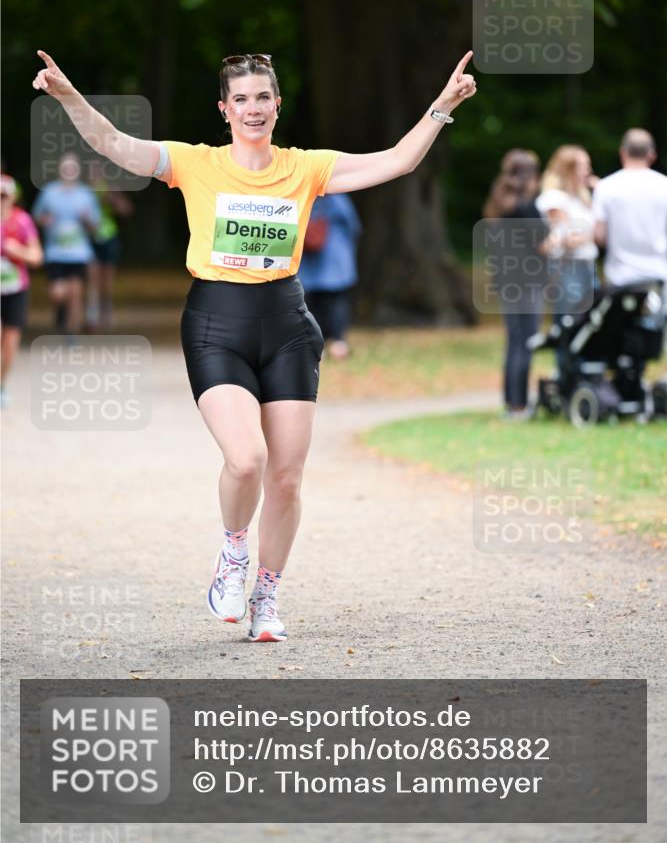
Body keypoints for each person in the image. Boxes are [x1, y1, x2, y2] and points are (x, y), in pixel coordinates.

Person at [31, 47, 477, 641]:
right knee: (247, 459)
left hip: (288, 323)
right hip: (217, 322)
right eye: (240, 99)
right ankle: (233, 552)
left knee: (287, 478)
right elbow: (116, 145)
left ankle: (266, 597)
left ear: (277, 104)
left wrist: (442, 107)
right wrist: (67, 96)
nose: (253, 108)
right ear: (224, 108)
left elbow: (395, 162)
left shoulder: (306, 167)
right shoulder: (194, 163)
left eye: (262, 97)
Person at [483, 149, 548, 419]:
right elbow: (543, 245)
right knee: (527, 341)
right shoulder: (527, 207)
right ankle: (520, 405)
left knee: (514, 341)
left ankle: (512, 402)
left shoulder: (499, 203)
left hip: (507, 280)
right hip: (528, 281)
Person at [32, 151, 101, 339]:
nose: (69, 170)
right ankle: (61, 310)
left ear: (78, 171)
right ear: (60, 169)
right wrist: (44, 220)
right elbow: (36, 217)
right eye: (66, 167)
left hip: (79, 253)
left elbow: (96, 225)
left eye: (73, 167)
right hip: (55, 253)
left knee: (76, 293)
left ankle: (71, 333)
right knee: (57, 293)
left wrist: (87, 220)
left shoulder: (86, 194)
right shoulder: (49, 192)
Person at [592, 128, 667, 288]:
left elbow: (599, 236)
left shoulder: (605, 187)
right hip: (660, 275)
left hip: (620, 277)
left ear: (623, 152)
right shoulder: (664, 185)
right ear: (652, 154)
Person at [536, 144, 598, 320]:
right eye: (584, 166)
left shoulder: (583, 197)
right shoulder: (553, 199)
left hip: (588, 265)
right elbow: (567, 238)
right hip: (568, 268)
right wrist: (596, 234)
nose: (588, 170)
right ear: (569, 169)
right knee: (571, 323)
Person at [299, 192, 361, 359]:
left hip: (308, 262)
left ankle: (319, 344)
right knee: (336, 302)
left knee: (311, 305)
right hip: (335, 260)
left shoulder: (303, 196)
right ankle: (339, 342)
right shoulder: (338, 199)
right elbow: (353, 225)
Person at [1, 173, 43, 407]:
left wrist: (17, 250)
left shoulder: (22, 221)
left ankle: (1, 385)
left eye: (3, 196)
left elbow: (37, 257)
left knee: (9, 343)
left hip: (16, 290)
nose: (0, 200)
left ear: (13, 196)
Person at [86, 161, 135, 330]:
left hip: (109, 237)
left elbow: (127, 210)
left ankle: (106, 312)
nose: (94, 174)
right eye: (92, 170)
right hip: (89, 239)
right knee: (93, 278)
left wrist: (112, 199)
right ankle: (92, 315)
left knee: (107, 281)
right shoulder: (83, 191)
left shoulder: (110, 188)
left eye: (97, 170)